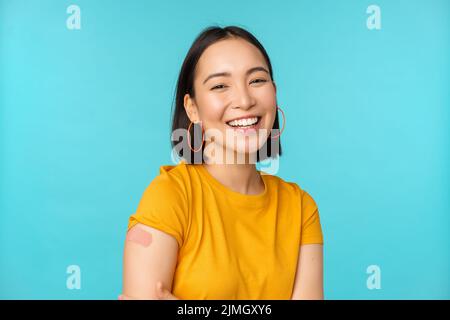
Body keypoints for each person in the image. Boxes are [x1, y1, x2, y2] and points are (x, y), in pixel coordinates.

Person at [120, 25, 324, 300]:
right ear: (192, 108)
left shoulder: (300, 208)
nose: (244, 99)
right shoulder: (169, 197)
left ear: (274, 93)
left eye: (257, 80)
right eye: (220, 86)